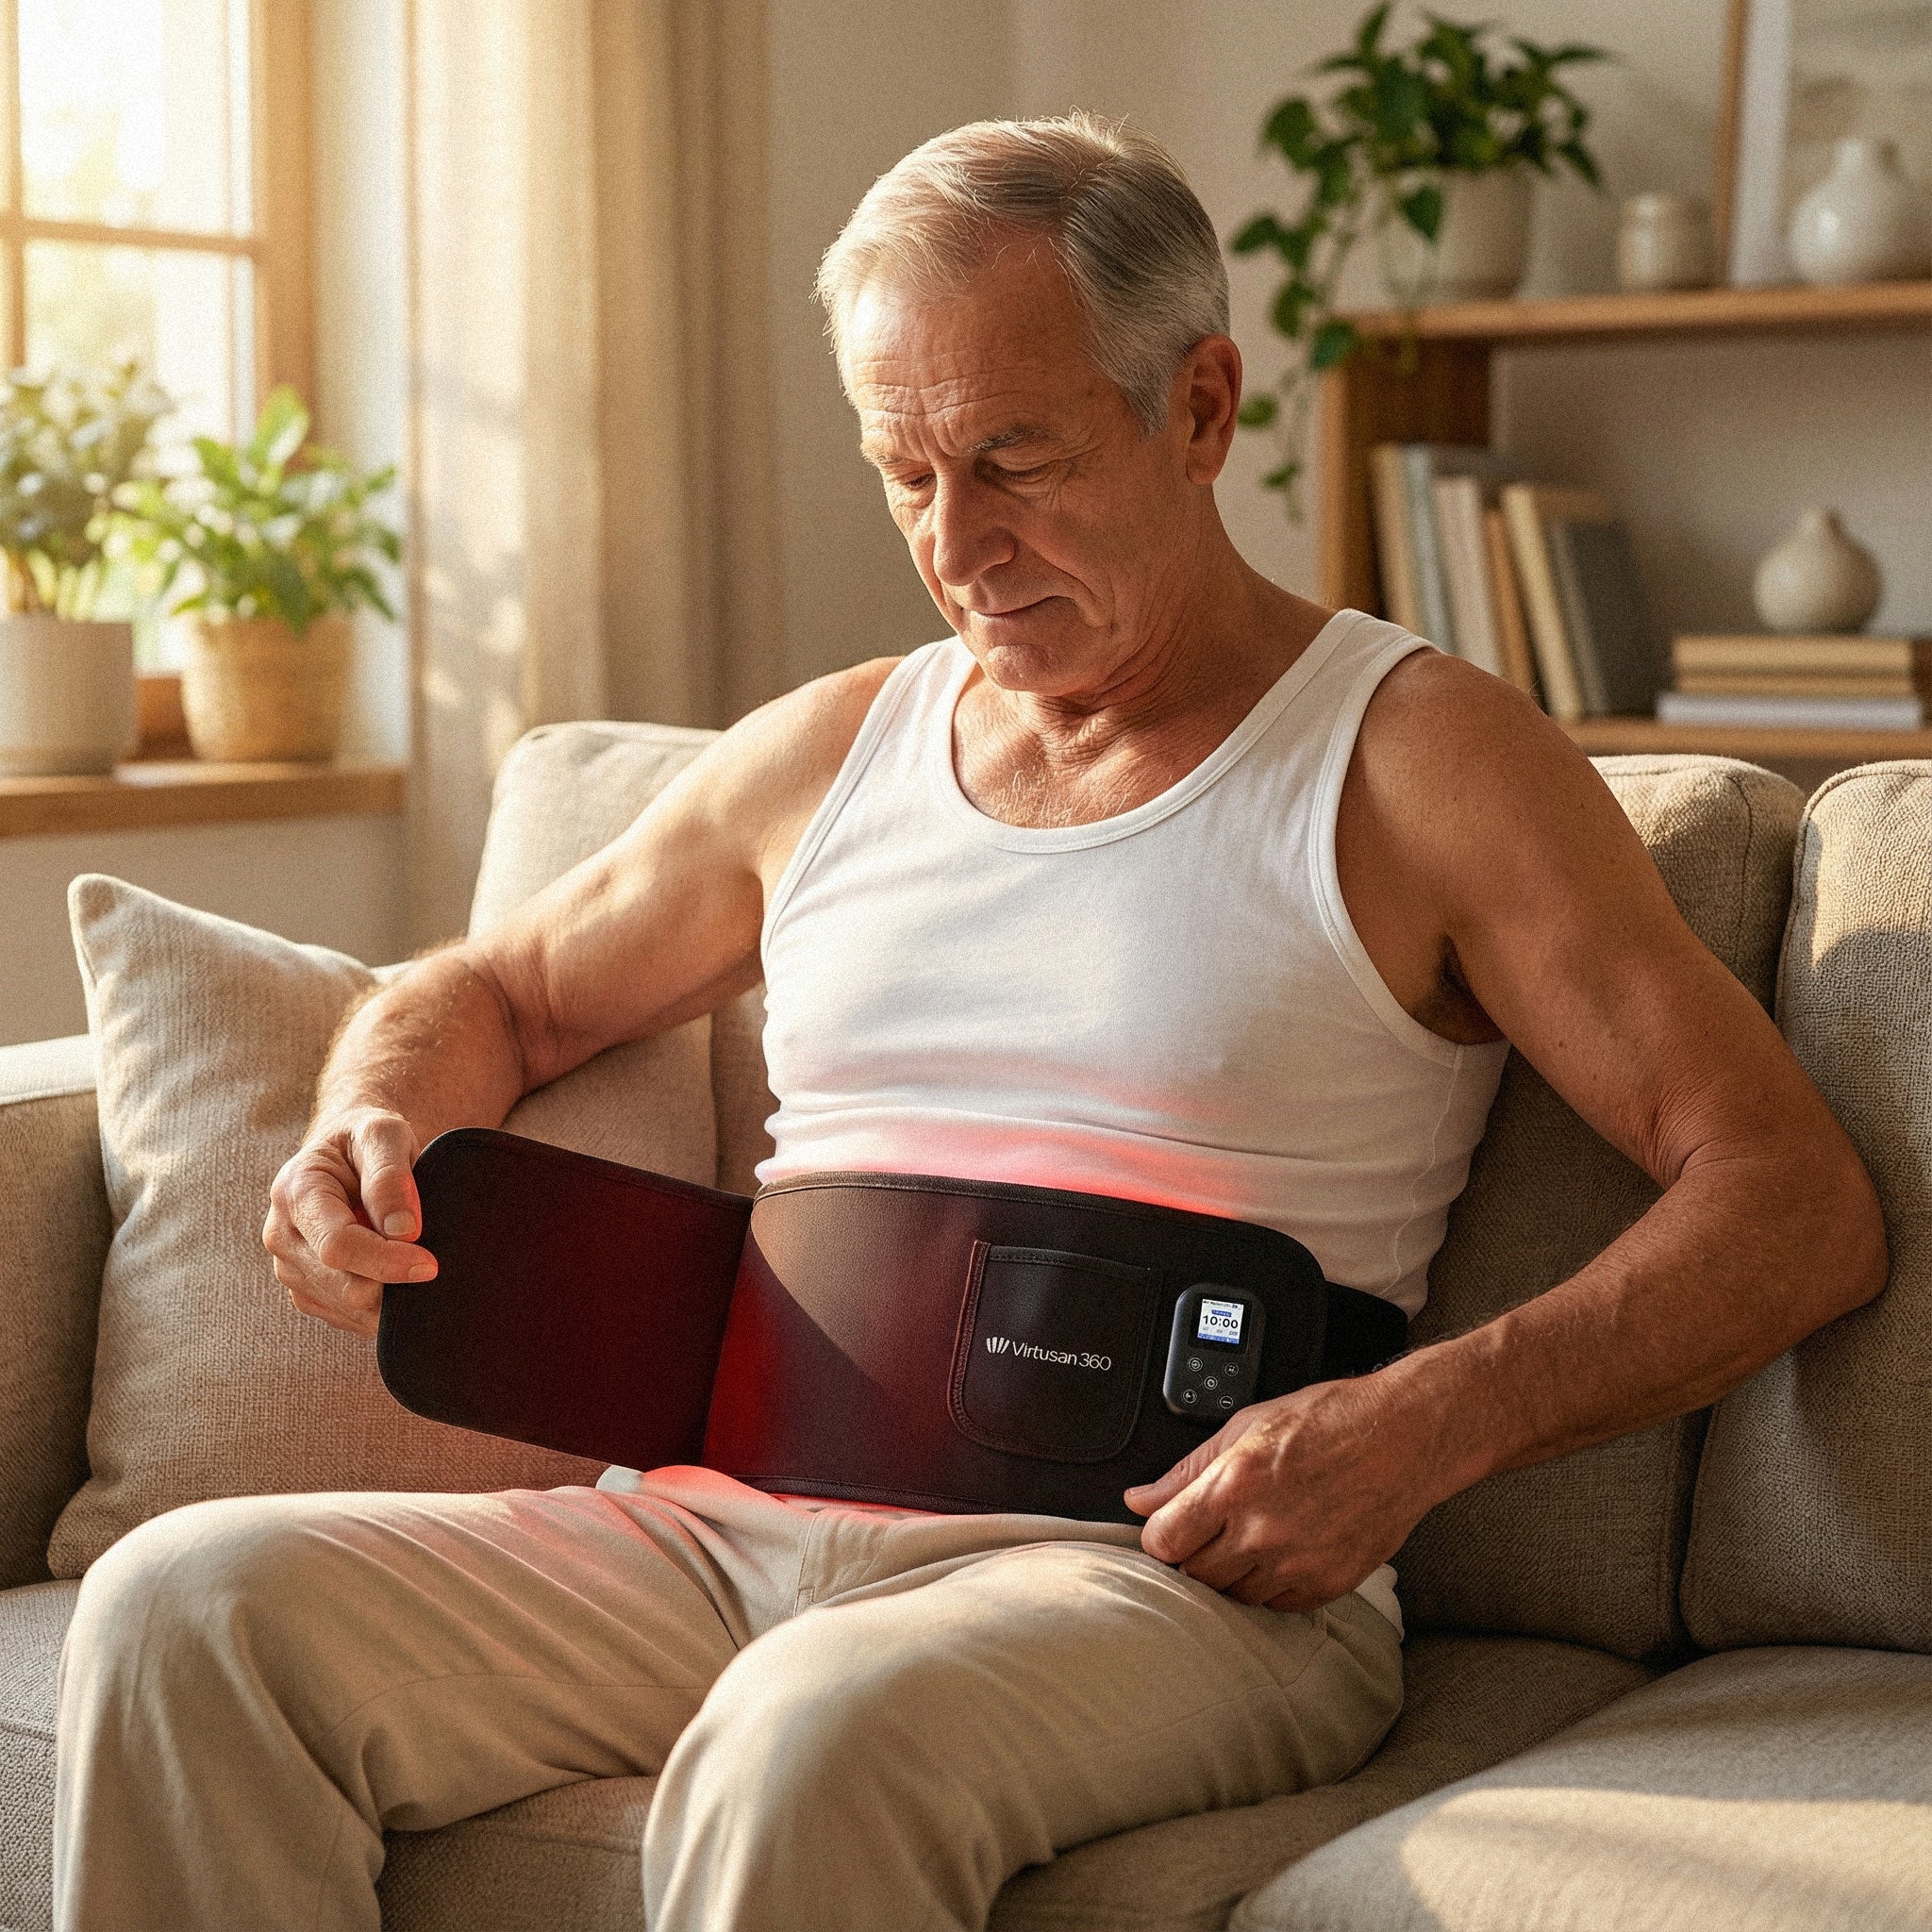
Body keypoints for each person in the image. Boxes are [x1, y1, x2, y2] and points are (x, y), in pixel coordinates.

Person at [54, 114, 1884, 1932]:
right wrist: (360, 1116)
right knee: (186, 1607)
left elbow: (1786, 1200)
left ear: (1199, 404)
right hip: (708, 1533)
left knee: (810, 1733)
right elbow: (497, 991)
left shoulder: (1412, 759)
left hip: (1149, 1582)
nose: (960, 545)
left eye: (1015, 459)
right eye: (905, 473)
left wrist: (1415, 1427)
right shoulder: (829, 753)